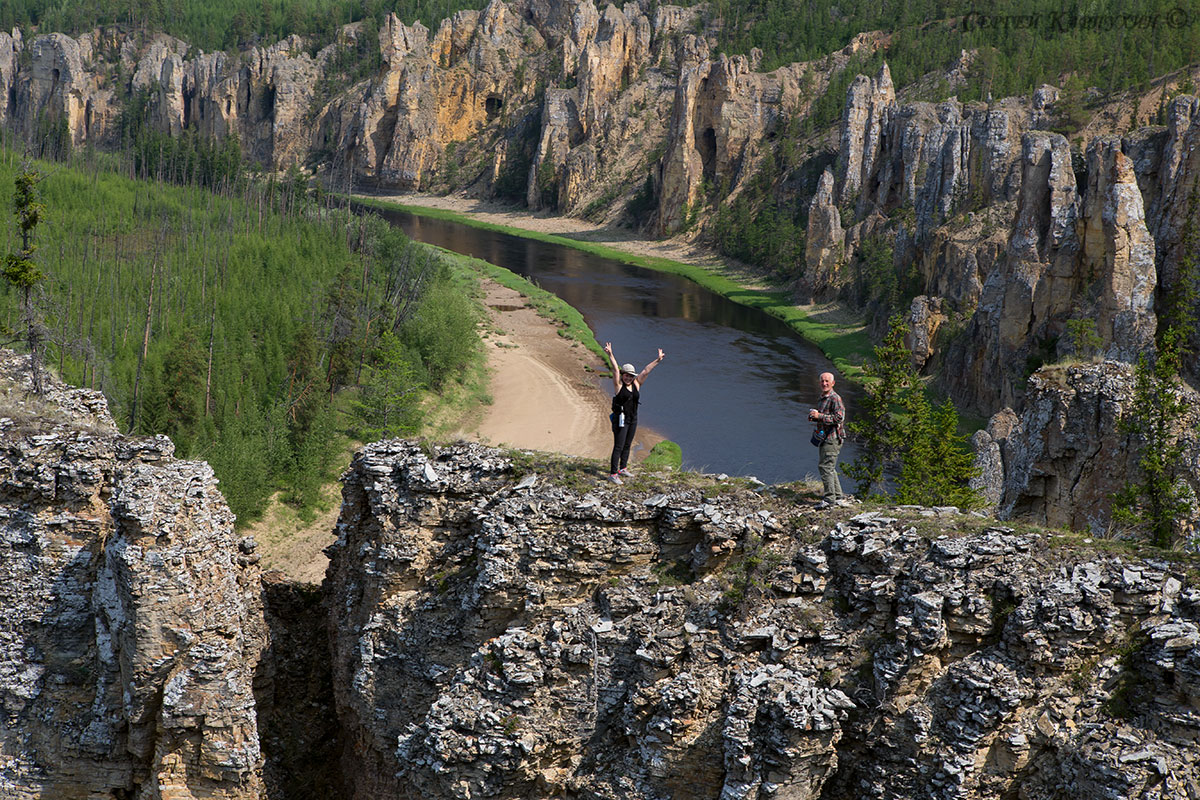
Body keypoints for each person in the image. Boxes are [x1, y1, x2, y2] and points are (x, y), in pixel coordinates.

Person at [602, 342, 665, 484]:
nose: (628, 378)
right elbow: (615, 370)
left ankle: (623, 468)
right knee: (618, 445)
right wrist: (610, 354)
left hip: (633, 418)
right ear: (623, 375)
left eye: (631, 376)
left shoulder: (636, 384)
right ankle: (613, 474)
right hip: (620, 419)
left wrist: (658, 360)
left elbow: (646, 371)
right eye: (626, 375)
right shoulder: (618, 386)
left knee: (627, 444)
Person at [808, 371, 847, 508]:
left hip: (833, 438)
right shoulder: (823, 397)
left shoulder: (835, 398)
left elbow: (839, 418)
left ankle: (829, 499)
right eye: (822, 381)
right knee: (829, 467)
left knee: (825, 467)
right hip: (825, 437)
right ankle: (838, 496)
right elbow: (826, 416)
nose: (824, 383)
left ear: (833, 383)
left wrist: (820, 417)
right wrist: (815, 417)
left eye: (827, 381)